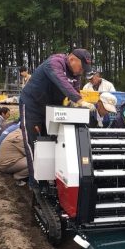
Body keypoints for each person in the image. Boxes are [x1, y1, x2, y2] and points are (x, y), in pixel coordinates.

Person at [19, 48, 94, 186]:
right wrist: (79, 100)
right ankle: (35, 183)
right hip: (32, 105)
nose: (81, 71)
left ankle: (52, 178)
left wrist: (78, 106)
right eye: (81, 67)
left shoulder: (75, 73)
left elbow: (74, 90)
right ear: (72, 59)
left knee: (52, 141)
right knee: (33, 142)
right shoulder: (54, 62)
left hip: (51, 108)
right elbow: (62, 82)